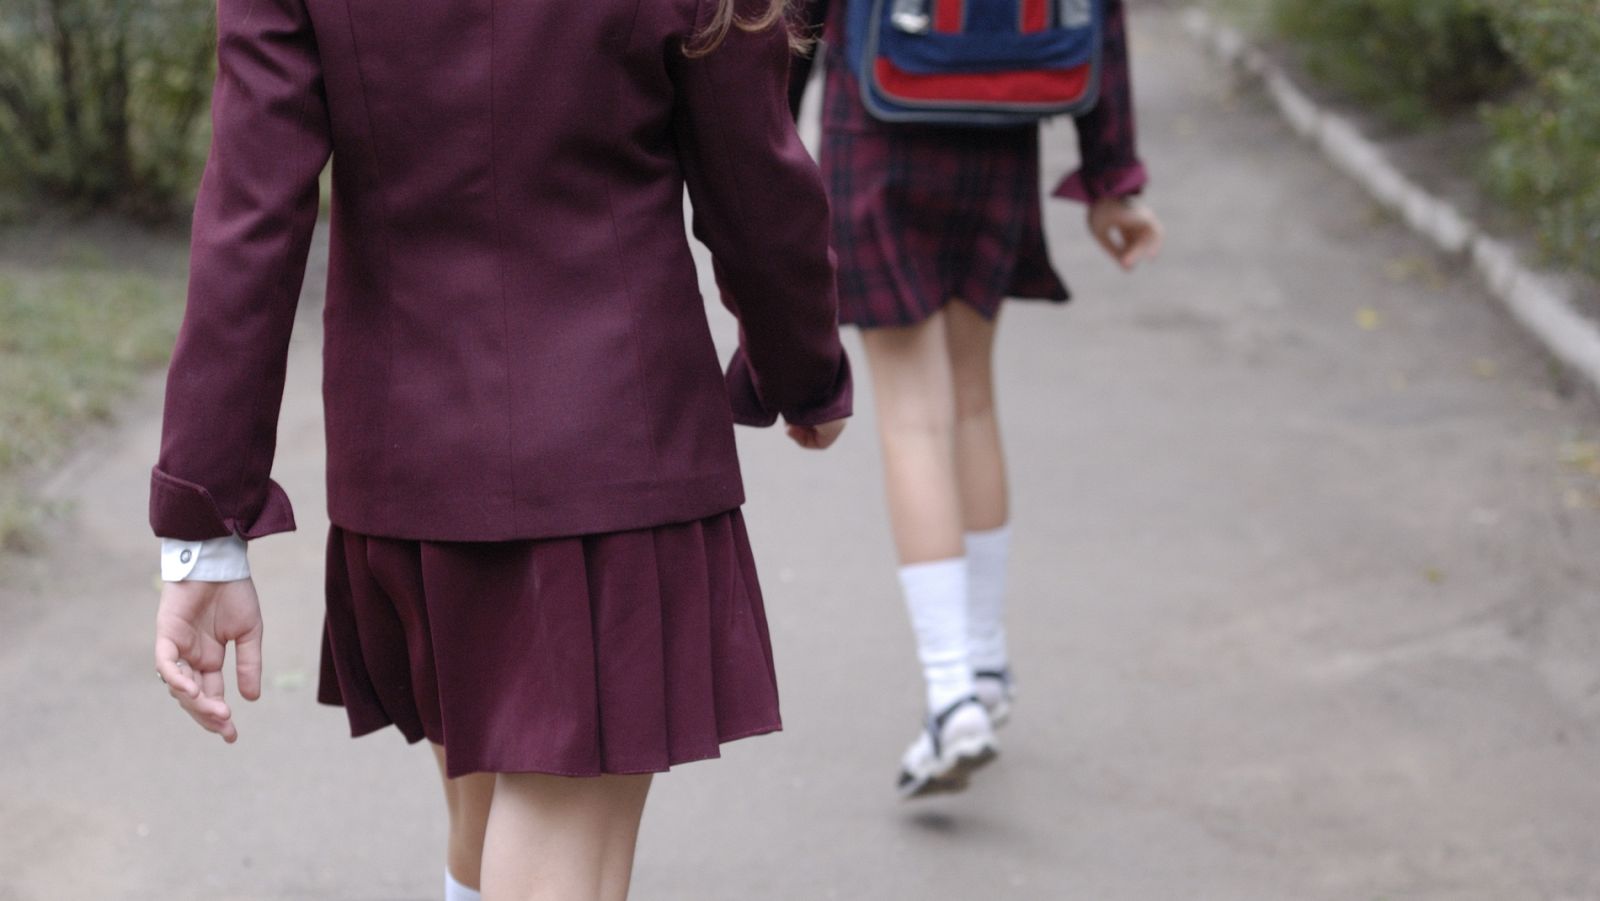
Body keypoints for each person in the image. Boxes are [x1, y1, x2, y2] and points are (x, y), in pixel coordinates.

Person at [147, 0, 851, 896]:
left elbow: (250, 213)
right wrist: (803, 370)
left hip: (410, 458)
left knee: (485, 837)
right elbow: (754, 177)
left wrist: (203, 523)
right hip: (610, 456)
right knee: (546, 848)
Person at [790, 0, 1163, 798]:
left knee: (912, 418)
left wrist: (765, 149)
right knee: (971, 402)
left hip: (878, 124)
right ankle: (987, 664)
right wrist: (1112, 179)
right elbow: (1102, 16)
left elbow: (789, 15)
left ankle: (951, 691)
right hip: (1000, 116)